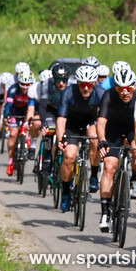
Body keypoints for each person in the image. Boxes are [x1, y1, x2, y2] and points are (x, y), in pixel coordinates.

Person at [95, 68, 136, 232]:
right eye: (121, 88)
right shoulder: (109, 95)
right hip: (112, 130)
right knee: (109, 166)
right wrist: (102, 141)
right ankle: (105, 213)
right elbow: (101, 122)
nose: (125, 92)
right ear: (116, 88)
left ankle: (135, 179)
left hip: (132, 129)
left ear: (134, 86)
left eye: (128, 88)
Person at [55, 65, 104, 211]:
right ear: (77, 83)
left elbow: (104, 119)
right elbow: (61, 119)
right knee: (69, 157)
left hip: (90, 123)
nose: (86, 88)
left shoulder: (101, 94)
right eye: (83, 84)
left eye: (89, 85)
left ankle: (94, 174)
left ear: (94, 84)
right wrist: (60, 139)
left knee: (95, 140)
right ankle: (65, 192)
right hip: (72, 125)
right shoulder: (68, 93)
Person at [3, 70, 36, 175]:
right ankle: (11, 162)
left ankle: (28, 138)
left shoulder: (34, 90)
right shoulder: (13, 89)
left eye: (27, 85)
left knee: (31, 123)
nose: (25, 87)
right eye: (23, 84)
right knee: (13, 134)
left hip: (27, 111)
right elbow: (8, 106)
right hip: (15, 112)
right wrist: (6, 117)